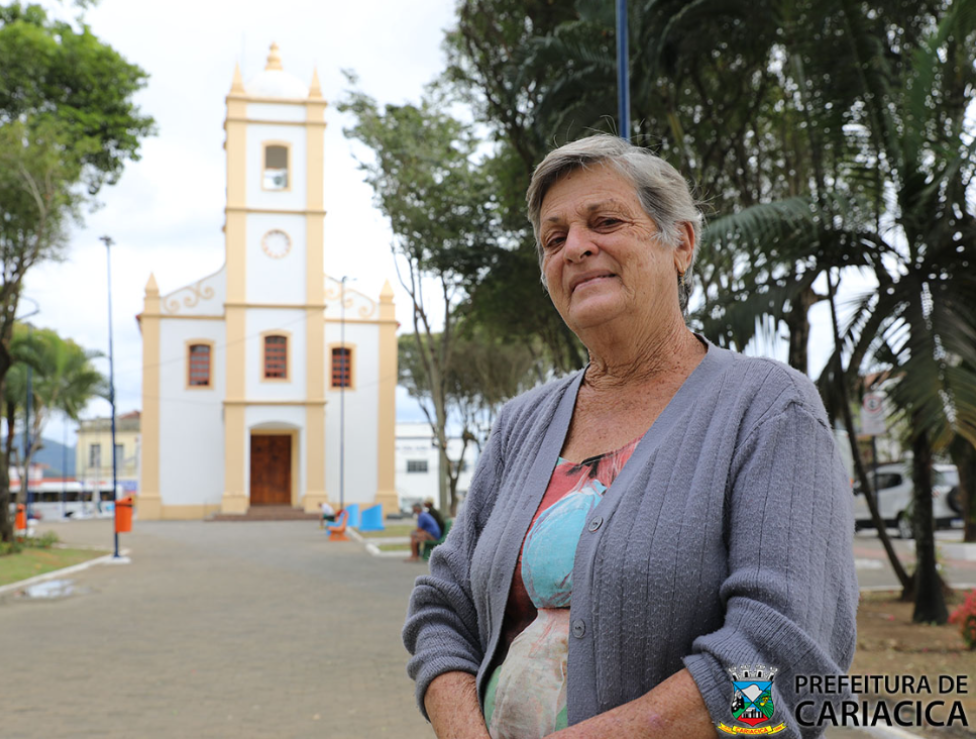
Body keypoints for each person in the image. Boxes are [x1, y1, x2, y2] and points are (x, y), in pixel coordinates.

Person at [403, 134, 857, 738]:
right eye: (554, 238)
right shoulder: (521, 423)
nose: (577, 248)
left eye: (606, 221)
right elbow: (442, 607)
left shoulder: (768, 407)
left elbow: (786, 651)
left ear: (681, 243)